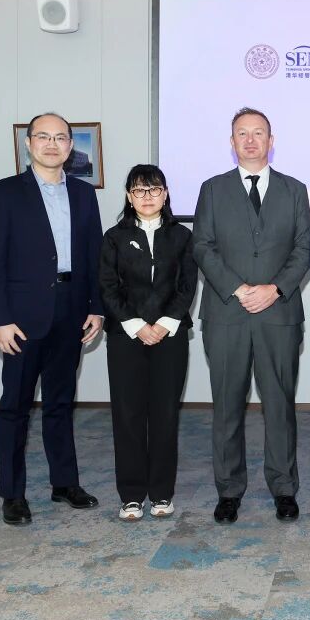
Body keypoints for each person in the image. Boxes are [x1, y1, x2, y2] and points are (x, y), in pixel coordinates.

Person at [0, 112, 104, 526]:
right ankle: (12, 493)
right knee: (14, 407)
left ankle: (64, 483)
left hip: (72, 311)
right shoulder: (4, 192)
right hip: (21, 317)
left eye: (61, 138)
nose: (52, 144)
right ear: (28, 143)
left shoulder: (84, 194)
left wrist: (96, 306)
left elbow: (94, 256)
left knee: (60, 403)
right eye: (44, 137)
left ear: (70, 146)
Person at [192, 108, 310, 525]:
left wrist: (274, 288)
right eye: (241, 133)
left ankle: (284, 488)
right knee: (227, 405)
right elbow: (202, 245)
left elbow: (304, 247)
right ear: (232, 142)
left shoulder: (295, 190)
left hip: (278, 313)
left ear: (270, 140)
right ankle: (228, 491)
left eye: (258, 133)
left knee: (280, 405)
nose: (250, 140)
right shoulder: (212, 189)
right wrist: (239, 288)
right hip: (227, 313)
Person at [99, 165, 197, 521]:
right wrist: (138, 326)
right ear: (129, 196)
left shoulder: (182, 236)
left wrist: (164, 325)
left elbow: (187, 286)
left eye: (154, 190)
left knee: (164, 415)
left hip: (170, 337)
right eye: (139, 191)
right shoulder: (114, 237)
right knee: (128, 415)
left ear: (165, 194)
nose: (147, 197)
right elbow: (108, 286)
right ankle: (131, 495)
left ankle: (161, 493)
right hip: (126, 337)